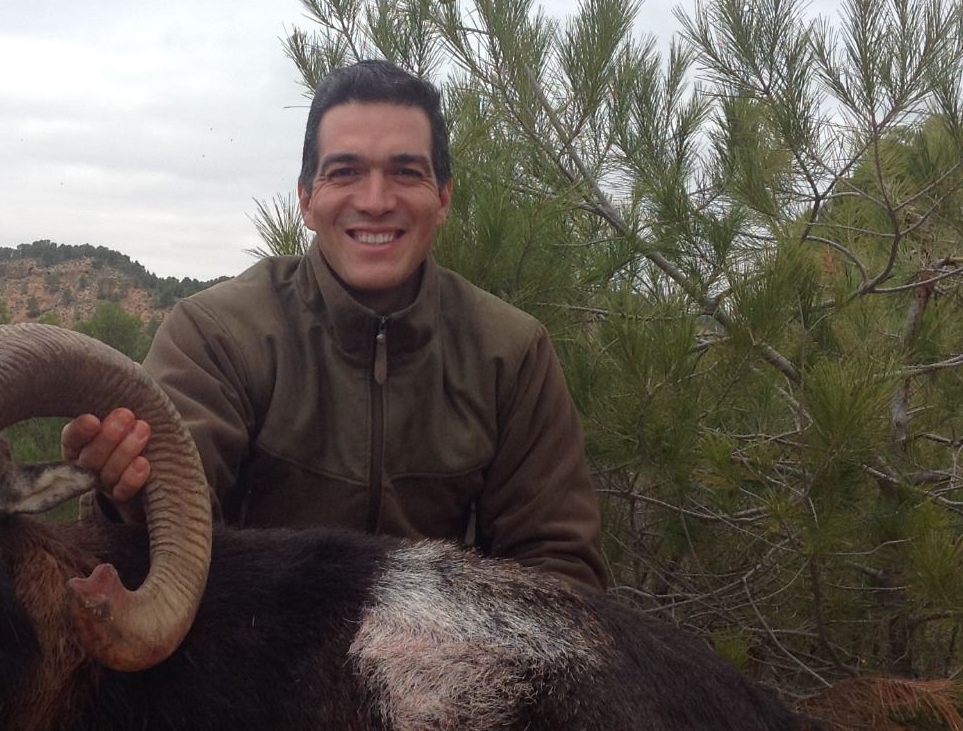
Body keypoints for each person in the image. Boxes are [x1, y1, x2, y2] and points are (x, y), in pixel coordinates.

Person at [62, 59, 608, 590]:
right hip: (253, 641)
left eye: (406, 172)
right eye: (345, 172)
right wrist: (127, 494)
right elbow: (169, 538)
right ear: (306, 199)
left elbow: (559, 564)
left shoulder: (511, 352)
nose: (375, 201)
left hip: (445, 649)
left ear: (443, 197)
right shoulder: (215, 335)